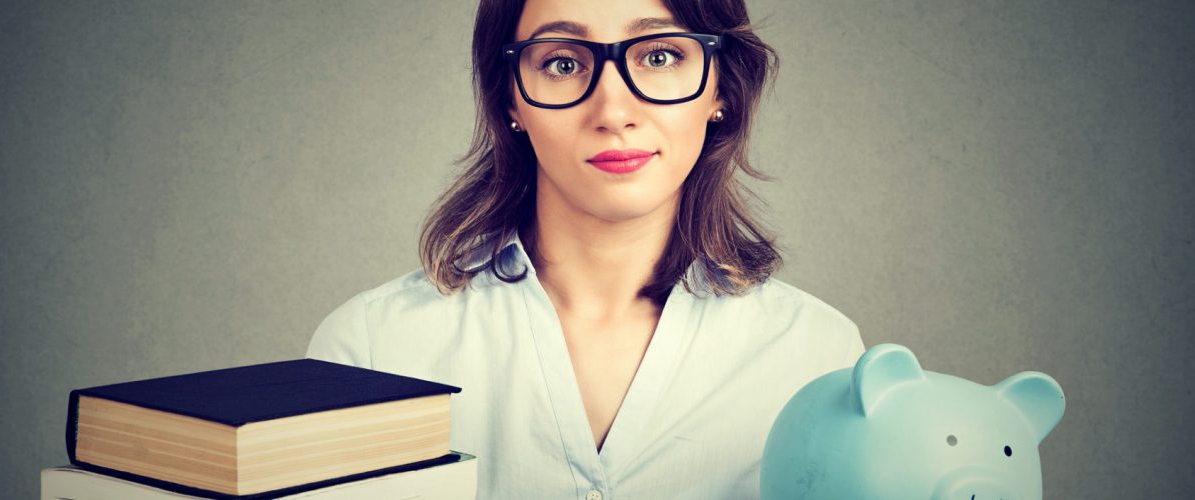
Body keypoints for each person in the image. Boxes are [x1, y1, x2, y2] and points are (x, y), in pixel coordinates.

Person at [306, 0, 864, 497]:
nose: (614, 113)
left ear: (721, 90)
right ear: (510, 101)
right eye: (563, 64)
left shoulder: (819, 358)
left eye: (661, 56)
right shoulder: (372, 350)